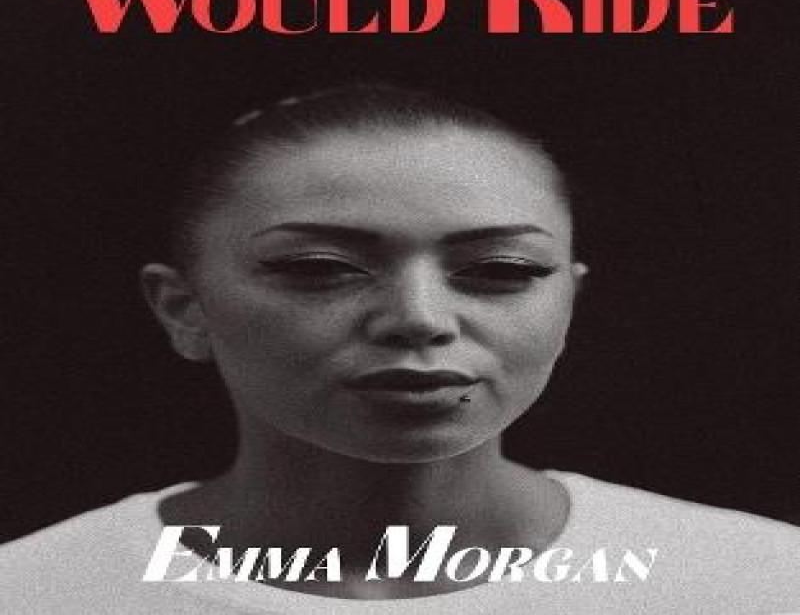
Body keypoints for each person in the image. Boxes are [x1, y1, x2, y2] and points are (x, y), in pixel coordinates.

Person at [2, 85, 798, 614]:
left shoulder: (760, 584)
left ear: (568, 302)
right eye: (320, 268)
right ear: (184, 309)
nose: (419, 319)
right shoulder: (37, 593)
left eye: (501, 270)